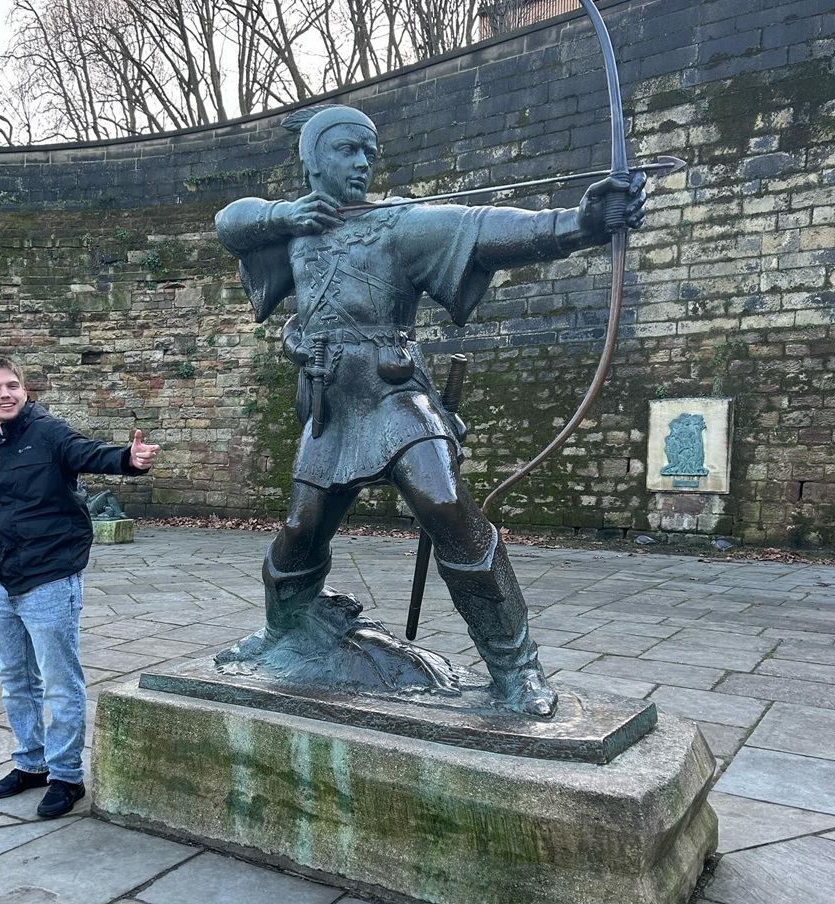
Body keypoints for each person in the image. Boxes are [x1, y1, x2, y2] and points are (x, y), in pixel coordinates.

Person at [214, 104, 646, 717]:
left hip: (395, 396)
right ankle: (284, 631)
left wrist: (580, 224)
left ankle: (515, 667)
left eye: (368, 152)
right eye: (345, 150)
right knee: (300, 532)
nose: (362, 163)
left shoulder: (399, 226)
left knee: (446, 506)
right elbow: (230, 222)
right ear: (312, 161)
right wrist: (289, 216)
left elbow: (484, 228)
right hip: (329, 405)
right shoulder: (292, 230)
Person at [0, 356, 160, 817]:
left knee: (61, 684)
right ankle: (31, 763)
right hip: (2, 581)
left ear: (25, 390)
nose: (5, 394)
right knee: (15, 681)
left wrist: (130, 459)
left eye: (12, 386)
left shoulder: (50, 432)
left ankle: (66, 776)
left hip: (50, 577)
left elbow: (91, 453)